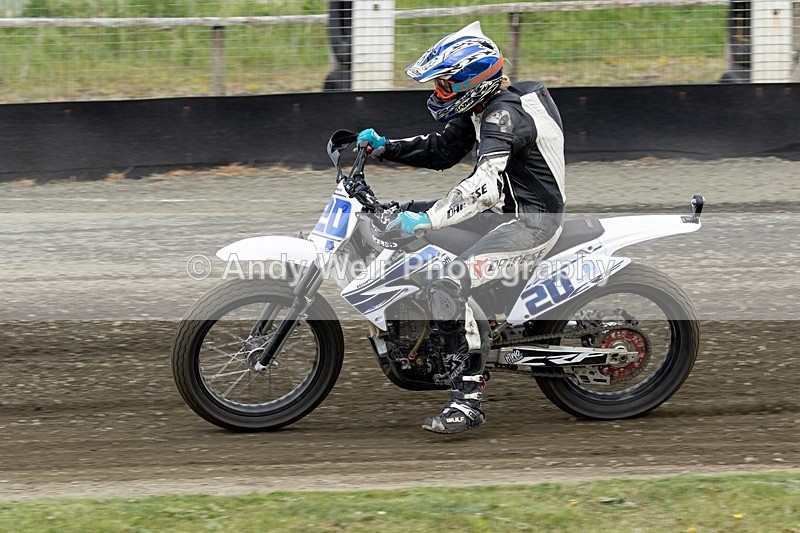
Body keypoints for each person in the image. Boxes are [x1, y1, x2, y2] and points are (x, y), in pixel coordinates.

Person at [357, 21, 566, 434]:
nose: (438, 95)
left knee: (448, 282)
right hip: (501, 214)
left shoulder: (504, 115)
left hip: (530, 223)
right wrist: (385, 147)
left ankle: (467, 399)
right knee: (391, 220)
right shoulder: (481, 107)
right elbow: (441, 150)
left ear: (474, 80)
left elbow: (485, 188)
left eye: (446, 86)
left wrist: (429, 217)